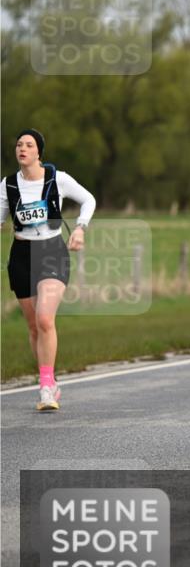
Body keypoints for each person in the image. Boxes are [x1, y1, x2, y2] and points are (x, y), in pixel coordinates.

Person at [2, 129, 96, 411]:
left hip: (52, 251)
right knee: (33, 326)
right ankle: (49, 379)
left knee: (45, 319)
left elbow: (88, 199)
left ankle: (45, 389)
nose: (23, 149)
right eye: (19, 144)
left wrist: (80, 228)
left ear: (38, 152)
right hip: (21, 255)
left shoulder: (58, 179)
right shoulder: (7, 185)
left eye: (29, 145)